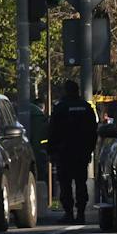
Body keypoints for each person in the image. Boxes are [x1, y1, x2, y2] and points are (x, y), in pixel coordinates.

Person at [47, 81, 98, 224]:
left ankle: (69, 213)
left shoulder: (61, 107)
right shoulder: (86, 107)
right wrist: (89, 150)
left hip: (64, 152)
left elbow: (53, 131)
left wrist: (51, 150)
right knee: (81, 183)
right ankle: (81, 214)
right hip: (81, 152)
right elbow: (93, 131)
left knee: (65, 184)